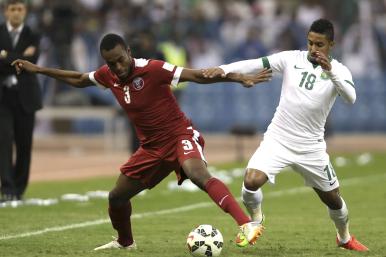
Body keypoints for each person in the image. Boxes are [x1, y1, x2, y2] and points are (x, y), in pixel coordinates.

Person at [11, 33, 272, 250]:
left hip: (179, 135)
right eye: (111, 63)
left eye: (121, 60)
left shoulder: (154, 69)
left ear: (128, 51)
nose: (118, 67)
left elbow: (199, 75)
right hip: (151, 148)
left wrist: (237, 77)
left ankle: (246, 223)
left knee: (197, 174)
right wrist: (38, 70)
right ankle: (126, 243)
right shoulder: (108, 75)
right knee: (116, 197)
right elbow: (80, 79)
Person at [202, 19, 369, 251]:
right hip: (278, 139)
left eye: (319, 44)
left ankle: (344, 238)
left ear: (331, 44)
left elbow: (351, 98)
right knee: (250, 182)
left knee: (333, 200)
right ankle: (256, 221)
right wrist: (225, 69)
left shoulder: (339, 70)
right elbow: (255, 63)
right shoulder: (292, 59)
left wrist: (330, 71)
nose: (313, 49)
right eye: (310, 43)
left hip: (311, 147)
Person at [0, 0, 42, 202]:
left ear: (25, 12)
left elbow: (32, 64)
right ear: (6, 12)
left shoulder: (33, 34)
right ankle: (7, 188)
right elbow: (22, 63)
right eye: (12, 9)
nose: (16, 13)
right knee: (4, 142)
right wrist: (19, 58)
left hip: (26, 97)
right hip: (3, 97)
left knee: (24, 144)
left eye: (20, 9)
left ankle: (19, 189)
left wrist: (5, 56)